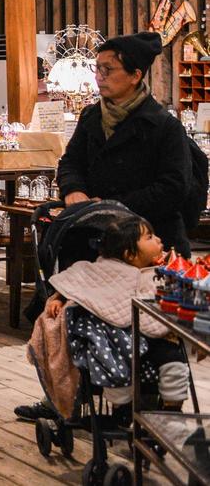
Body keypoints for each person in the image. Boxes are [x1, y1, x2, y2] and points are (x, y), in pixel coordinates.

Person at [57, 32, 196, 257]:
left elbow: (173, 188)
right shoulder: (91, 116)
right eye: (97, 68)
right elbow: (71, 162)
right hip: (96, 241)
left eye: (108, 70)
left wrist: (112, 206)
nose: (99, 77)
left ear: (135, 76)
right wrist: (73, 189)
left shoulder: (164, 125)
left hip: (151, 244)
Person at [38, 213, 188, 419]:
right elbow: (77, 282)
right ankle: (122, 409)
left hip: (153, 336)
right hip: (115, 338)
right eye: (150, 237)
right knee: (109, 356)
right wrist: (59, 298)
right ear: (130, 254)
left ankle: (173, 406)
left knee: (174, 357)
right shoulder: (104, 270)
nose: (159, 239)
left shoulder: (161, 271)